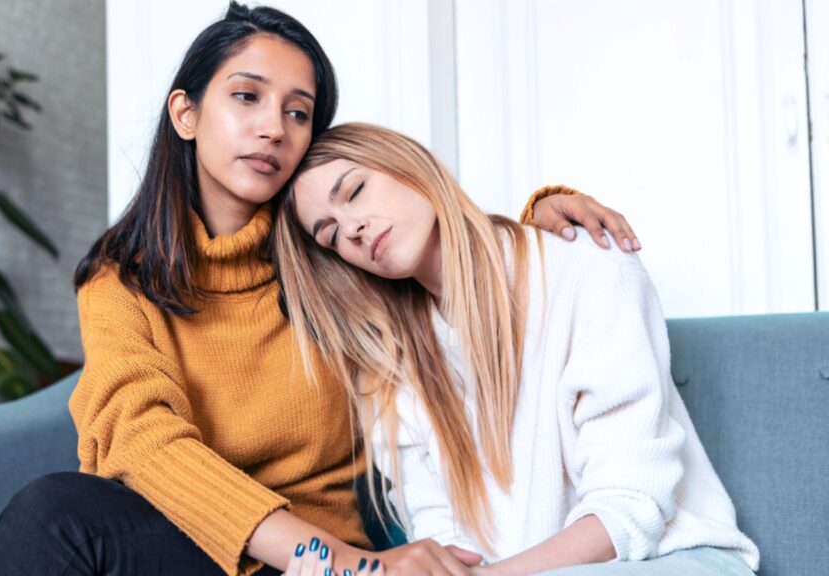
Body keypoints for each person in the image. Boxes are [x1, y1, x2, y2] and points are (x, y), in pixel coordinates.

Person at [0, 4, 640, 575]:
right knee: (52, 514)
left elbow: (441, 249)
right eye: (247, 97)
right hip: (231, 553)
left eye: (298, 112)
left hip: (318, 564)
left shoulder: (331, 253)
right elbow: (142, 441)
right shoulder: (121, 279)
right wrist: (347, 566)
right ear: (185, 112)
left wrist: (541, 218)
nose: (274, 126)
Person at [273, 122, 760, 576]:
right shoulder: (387, 363)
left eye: (355, 191)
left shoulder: (590, 268)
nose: (353, 228)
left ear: (410, 163)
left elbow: (630, 506)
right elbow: (442, 537)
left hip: (669, 558)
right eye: (332, 234)